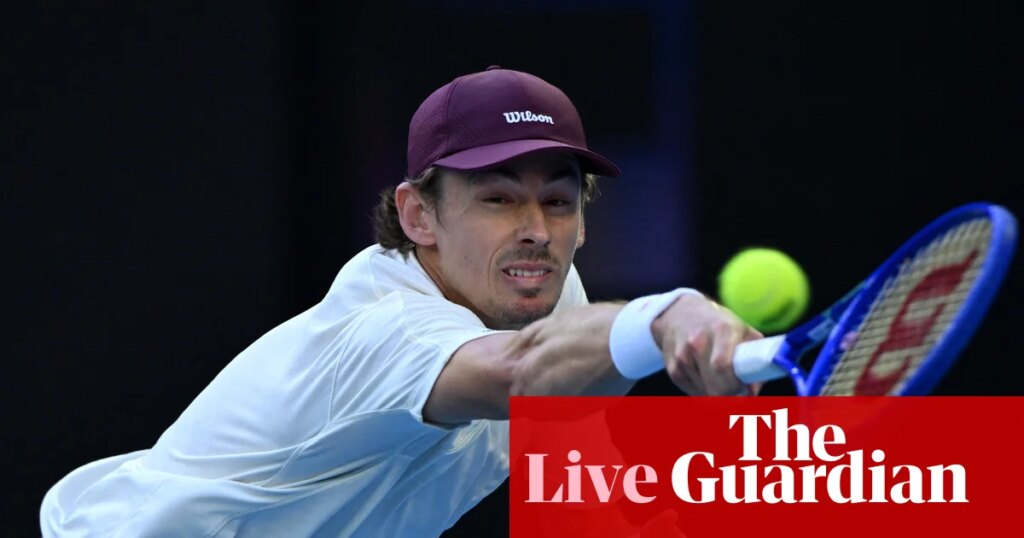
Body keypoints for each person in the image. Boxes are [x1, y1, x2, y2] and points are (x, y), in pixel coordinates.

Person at [40, 66, 760, 537]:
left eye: (557, 200)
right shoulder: (386, 332)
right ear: (419, 215)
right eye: (498, 199)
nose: (536, 231)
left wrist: (762, 457)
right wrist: (671, 315)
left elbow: (591, 461)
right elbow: (520, 374)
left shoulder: (543, 295)